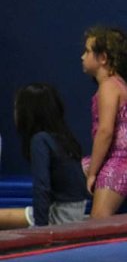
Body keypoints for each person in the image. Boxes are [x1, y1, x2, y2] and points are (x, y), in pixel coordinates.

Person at [0, 84, 89, 229]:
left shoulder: (39, 140)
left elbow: (42, 186)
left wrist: (40, 230)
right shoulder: (63, 137)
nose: (15, 113)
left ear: (28, 113)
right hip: (75, 212)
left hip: (61, 216)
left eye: (17, 108)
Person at [80, 26, 127, 217]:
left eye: (87, 51)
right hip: (117, 157)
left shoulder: (109, 86)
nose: (82, 57)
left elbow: (106, 131)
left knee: (98, 219)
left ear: (103, 58)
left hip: (123, 159)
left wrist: (93, 173)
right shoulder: (115, 84)